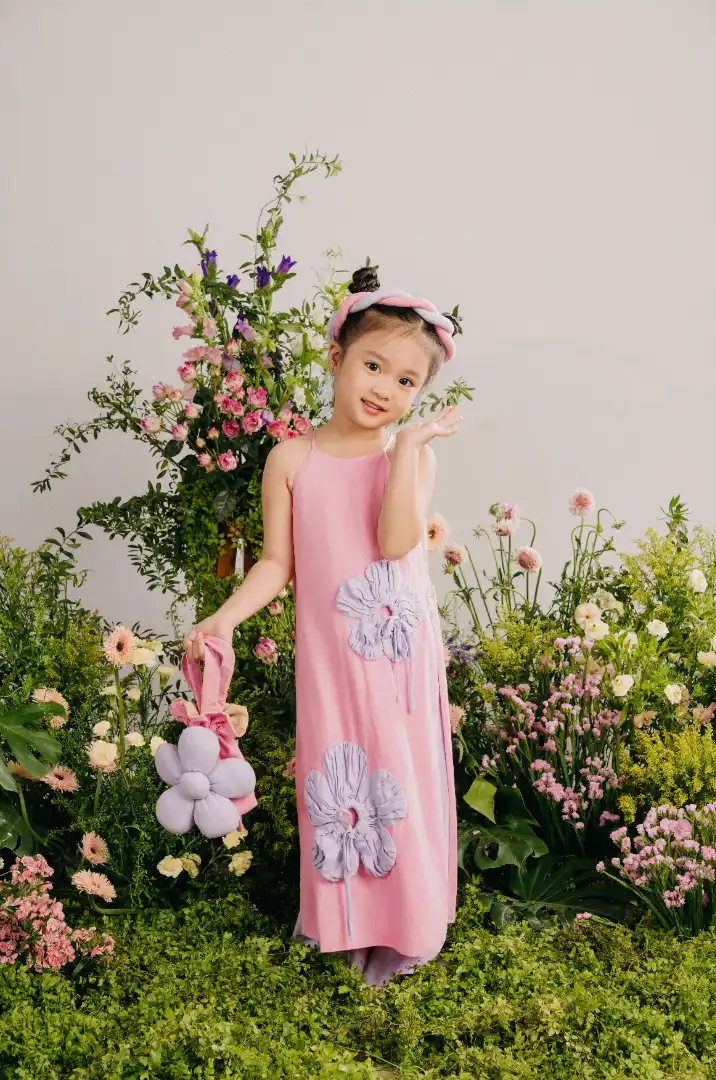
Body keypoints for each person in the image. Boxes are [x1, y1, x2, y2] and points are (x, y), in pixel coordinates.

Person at [184, 268, 462, 986]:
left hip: (394, 652)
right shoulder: (292, 459)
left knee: (398, 773)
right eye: (373, 366)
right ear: (337, 358)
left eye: (406, 381)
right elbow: (277, 563)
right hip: (330, 656)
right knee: (335, 776)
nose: (385, 389)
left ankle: (408, 926)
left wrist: (405, 452)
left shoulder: (411, 456)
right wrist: (225, 616)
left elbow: (395, 541)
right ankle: (343, 920)